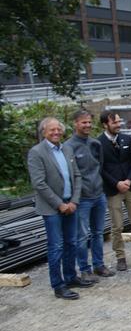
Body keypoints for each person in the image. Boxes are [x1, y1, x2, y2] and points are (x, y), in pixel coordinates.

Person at [28, 117, 94, 300]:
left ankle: (71, 277)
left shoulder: (67, 149)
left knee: (71, 243)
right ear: (43, 132)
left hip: (70, 205)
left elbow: (77, 177)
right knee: (56, 247)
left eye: (58, 129)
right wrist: (60, 204)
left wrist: (74, 201)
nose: (56, 132)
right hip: (52, 209)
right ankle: (58, 285)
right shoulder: (36, 153)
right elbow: (39, 184)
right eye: (52, 130)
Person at [98, 110, 131, 272]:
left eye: (118, 122)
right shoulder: (98, 143)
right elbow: (100, 168)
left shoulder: (127, 139)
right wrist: (117, 183)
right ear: (105, 124)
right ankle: (120, 257)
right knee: (117, 226)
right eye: (114, 122)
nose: (118, 125)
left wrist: (128, 180)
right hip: (113, 190)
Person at [63, 109, 109, 282]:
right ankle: (84, 269)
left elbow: (100, 166)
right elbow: (69, 174)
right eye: (84, 122)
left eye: (89, 122)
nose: (88, 125)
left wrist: (100, 187)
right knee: (82, 236)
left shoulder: (95, 143)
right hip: (82, 199)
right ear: (75, 124)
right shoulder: (69, 147)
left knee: (98, 232)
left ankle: (99, 265)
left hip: (98, 195)